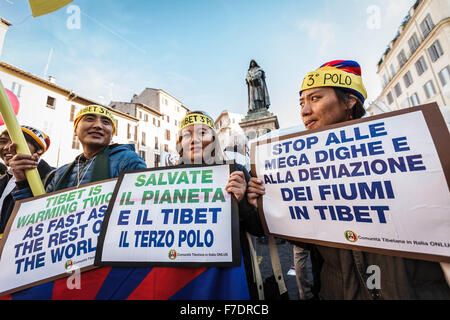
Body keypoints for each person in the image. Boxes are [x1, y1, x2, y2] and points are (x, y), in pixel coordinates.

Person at [248, 60, 450, 300]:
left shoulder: (418, 145)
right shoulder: (303, 166)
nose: (304, 111)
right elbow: (305, 237)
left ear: (350, 101)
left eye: (315, 98)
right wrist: (266, 203)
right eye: (301, 102)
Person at [6, 105, 147, 300]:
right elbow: (38, 218)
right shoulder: (60, 173)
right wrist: (22, 180)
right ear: (76, 129)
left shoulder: (127, 160)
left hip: (107, 265)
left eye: (105, 122)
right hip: (61, 265)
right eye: (89, 119)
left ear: (112, 135)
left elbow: (141, 208)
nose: (98, 125)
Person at [176, 110, 265, 299]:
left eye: (202, 133)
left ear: (214, 139)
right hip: (183, 278)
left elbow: (259, 230)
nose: (194, 140)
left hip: (231, 276)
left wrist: (244, 204)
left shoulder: (236, 171)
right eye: (186, 135)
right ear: (180, 144)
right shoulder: (164, 180)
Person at [0, 126, 53, 234]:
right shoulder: (3, 179)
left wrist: (23, 183)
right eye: (2, 141)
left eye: (16, 141)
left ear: (39, 149)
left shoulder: (54, 177)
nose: (6, 147)